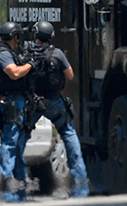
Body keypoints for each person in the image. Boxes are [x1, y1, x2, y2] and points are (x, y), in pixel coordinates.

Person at [24, 21, 90, 198]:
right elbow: (70, 75)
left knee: (19, 140)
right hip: (54, 102)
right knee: (69, 136)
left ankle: (17, 188)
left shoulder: (27, 53)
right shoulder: (57, 53)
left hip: (34, 102)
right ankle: (81, 188)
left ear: (35, 35)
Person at [0, 21, 36, 202]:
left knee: (17, 145)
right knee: (10, 143)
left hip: (15, 101)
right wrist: (30, 65)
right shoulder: (3, 55)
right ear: (15, 36)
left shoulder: (6, 52)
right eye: (18, 37)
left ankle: (20, 188)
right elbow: (14, 73)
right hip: (11, 103)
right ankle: (7, 189)